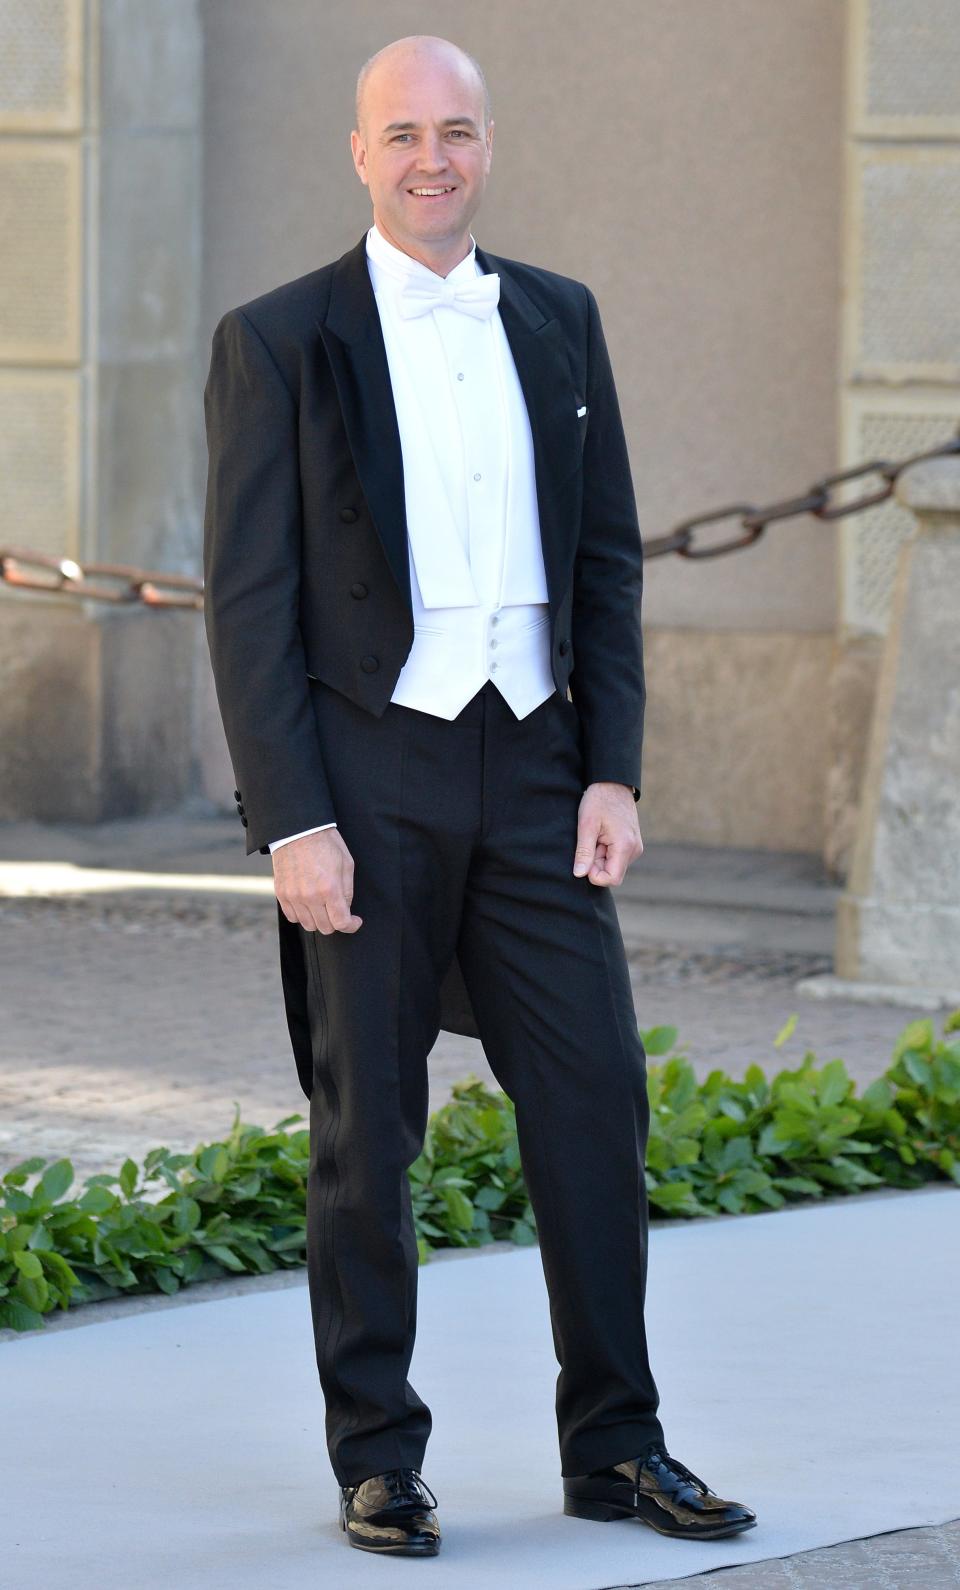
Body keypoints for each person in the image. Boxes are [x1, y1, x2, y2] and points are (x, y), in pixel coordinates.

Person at [202, 32, 757, 1560]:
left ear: (490, 145)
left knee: (594, 1104)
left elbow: (606, 561)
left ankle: (616, 1445)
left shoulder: (562, 322)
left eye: (457, 131)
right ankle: (379, 1453)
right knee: (365, 1130)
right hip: (364, 781)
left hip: (537, 770)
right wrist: (293, 820)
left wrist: (613, 766)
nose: (432, 158)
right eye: (403, 134)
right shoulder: (279, 339)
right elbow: (249, 605)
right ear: (359, 153)